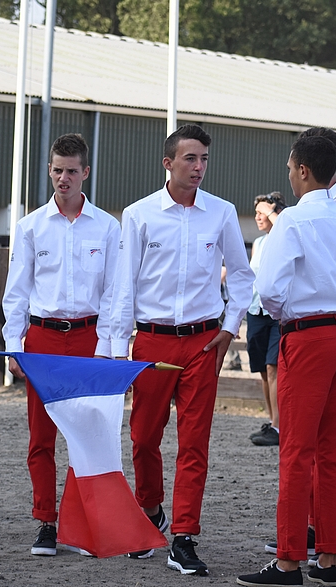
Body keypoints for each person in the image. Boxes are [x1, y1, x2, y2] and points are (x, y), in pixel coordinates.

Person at [110, 124, 253, 576]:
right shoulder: (138, 215)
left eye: (204, 159)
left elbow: (243, 276)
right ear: (168, 163)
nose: (199, 167)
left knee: (194, 443)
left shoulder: (222, 213)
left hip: (203, 342)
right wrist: (116, 349)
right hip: (151, 341)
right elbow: (123, 285)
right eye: (190, 158)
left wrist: (230, 328)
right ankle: (150, 511)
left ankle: (185, 537)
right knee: (143, 438)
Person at [237, 134, 336, 587]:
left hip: (308, 335)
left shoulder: (293, 221)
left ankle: (289, 561)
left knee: (296, 451)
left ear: (301, 170)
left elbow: (269, 289)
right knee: (332, 451)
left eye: (290, 169)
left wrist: (289, 320)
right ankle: (329, 559)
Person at [2, 133, 120, 557]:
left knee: (88, 434)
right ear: (49, 170)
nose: (63, 178)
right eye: (56, 170)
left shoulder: (108, 227)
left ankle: (81, 523)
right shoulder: (30, 226)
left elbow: (114, 293)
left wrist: (107, 346)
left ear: (85, 172)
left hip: (89, 338)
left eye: (71, 170)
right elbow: (17, 291)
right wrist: (14, 344)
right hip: (42, 339)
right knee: (41, 435)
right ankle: (46, 522)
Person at [245, 192, 285, 446]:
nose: (258, 217)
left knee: (274, 368)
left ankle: (279, 426)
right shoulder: (258, 243)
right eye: (257, 213)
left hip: (276, 313)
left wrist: (272, 211)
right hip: (255, 310)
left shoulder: (283, 236)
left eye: (263, 213)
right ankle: (272, 422)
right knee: (262, 369)